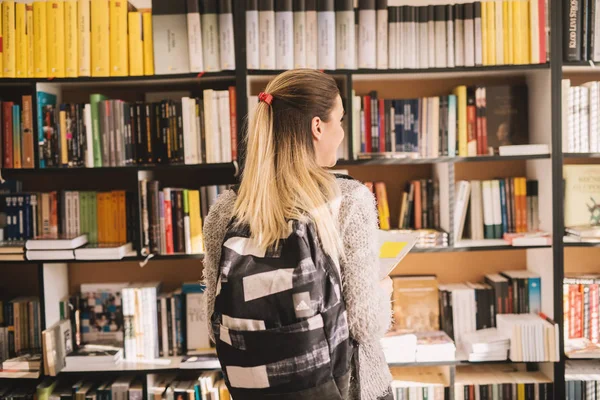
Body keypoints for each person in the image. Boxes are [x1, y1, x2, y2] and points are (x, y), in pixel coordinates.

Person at [203, 69, 393, 399]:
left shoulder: (226, 209)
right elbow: (365, 325)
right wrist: (384, 289)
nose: (342, 133)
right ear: (318, 127)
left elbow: (213, 323)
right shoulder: (349, 200)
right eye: (340, 120)